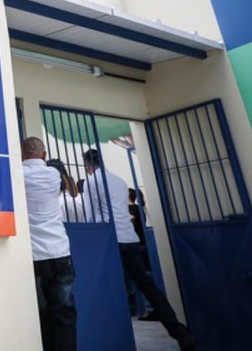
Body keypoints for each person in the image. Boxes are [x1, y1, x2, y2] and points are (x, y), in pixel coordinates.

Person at [80, 149, 197, 351]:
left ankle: (107, 339)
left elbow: (90, 214)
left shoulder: (91, 181)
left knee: (105, 290)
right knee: (148, 287)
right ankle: (179, 331)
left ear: (88, 165)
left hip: (109, 240)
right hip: (130, 238)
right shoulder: (120, 181)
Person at [23, 137, 77, 350]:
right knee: (64, 313)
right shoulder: (54, 175)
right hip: (59, 251)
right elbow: (71, 189)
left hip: (34, 255)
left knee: (41, 316)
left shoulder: (17, 175)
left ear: (23, 154)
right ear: (44, 155)